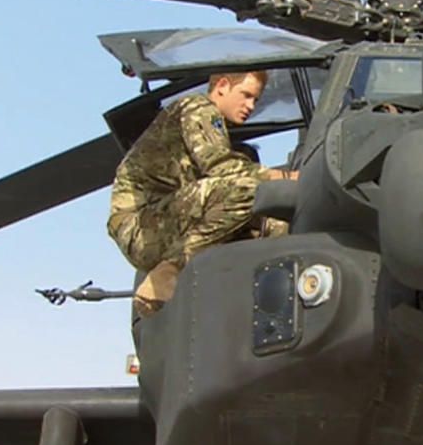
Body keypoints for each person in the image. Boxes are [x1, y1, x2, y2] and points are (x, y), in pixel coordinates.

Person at [107, 70, 296, 316]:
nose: (250, 106)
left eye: (255, 100)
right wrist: (286, 178)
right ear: (223, 85)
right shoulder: (198, 107)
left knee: (274, 224)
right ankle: (169, 272)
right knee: (249, 190)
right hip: (141, 227)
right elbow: (221, 167)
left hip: (169, 223)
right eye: (246, 95)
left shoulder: (212, 123)